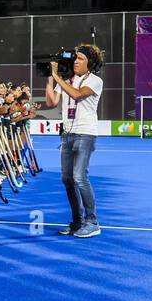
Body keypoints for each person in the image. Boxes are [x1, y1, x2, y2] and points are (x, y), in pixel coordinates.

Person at [44, 44, 103, 237]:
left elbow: (77, 94)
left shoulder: (95, 81)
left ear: (90, 62)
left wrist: (57, 77)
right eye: (75, 58)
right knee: (67, 179)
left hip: (85, 134)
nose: (76, 61)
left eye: (81, 58)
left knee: (79, 177)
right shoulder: (68, 80)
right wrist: (49, 80)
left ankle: (92, 221)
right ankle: (77, 222)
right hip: (67, 134)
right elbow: (51, 102)